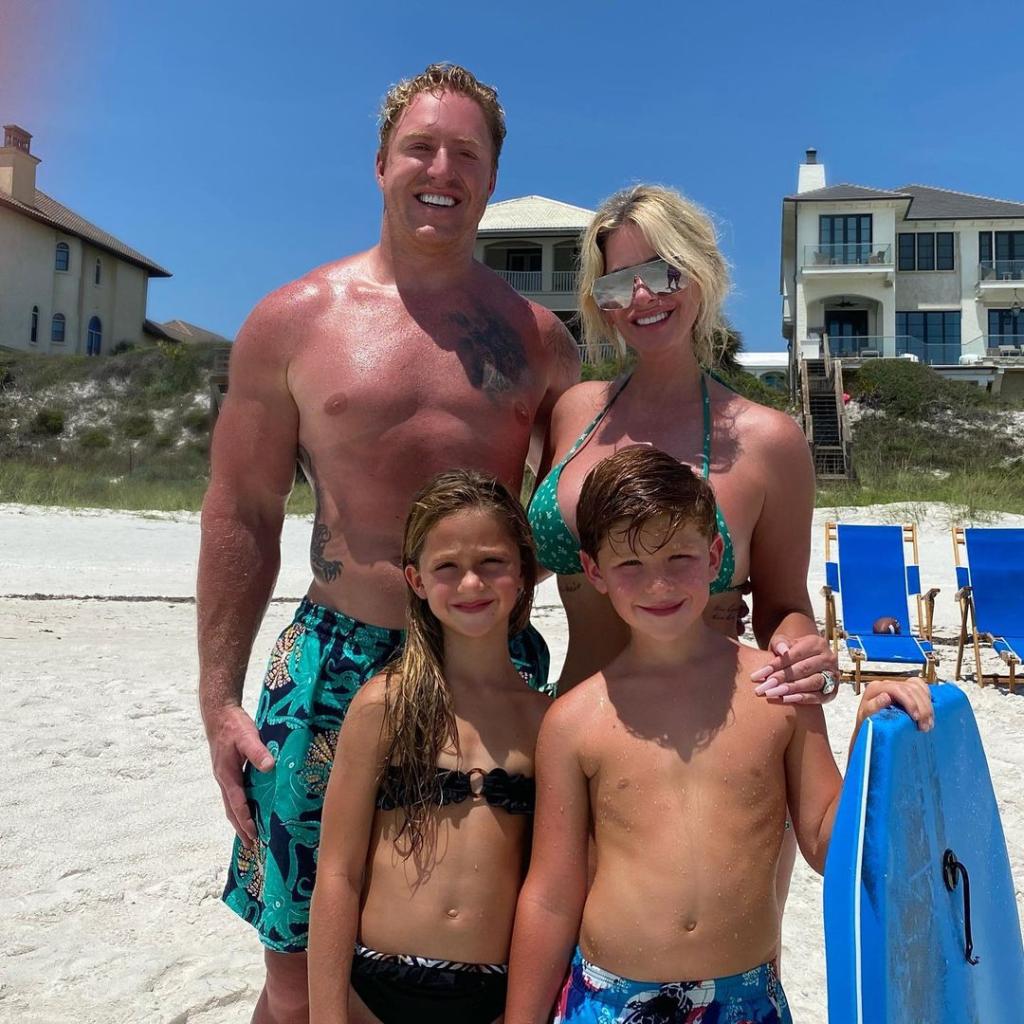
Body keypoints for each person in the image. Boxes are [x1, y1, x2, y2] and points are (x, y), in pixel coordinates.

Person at [197, 63, 579, 1023]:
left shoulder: (539, 342)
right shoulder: (292, 322)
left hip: (487, 668)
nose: (440, 168)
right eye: (421, 146)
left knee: (483, 952)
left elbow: (578, 526)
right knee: (296, 973)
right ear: (380, 164)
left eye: (466, 153)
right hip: (331, 665)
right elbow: (241, 510)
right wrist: (216, 699)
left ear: (491, 180)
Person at [505, 447, 934, 1024]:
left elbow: (829, 846)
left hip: (743, 1000)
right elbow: (552, 895)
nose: (658, 584)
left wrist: (869, 741)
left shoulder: (778, 695)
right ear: (595, 571)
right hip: (606, 999)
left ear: (713, 557)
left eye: (679, 556)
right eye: (630, 565)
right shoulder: (574, 721)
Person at [528, 183, 838, 698]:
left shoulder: (768, 440)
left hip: (704, 736)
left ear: (701, 270)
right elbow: (525, 562)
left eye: (661, 271)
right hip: (574, 728)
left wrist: (807, 662)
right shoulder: (574, 412)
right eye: (617, 285)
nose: (642, 297)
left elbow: (783, 608)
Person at [307, 470, 549, 1024]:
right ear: (416, 580)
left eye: (492, 562)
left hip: (493, 995)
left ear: (523, 574)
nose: (471, 585)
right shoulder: (383, 706)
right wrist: (326, 1015)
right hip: (375, 989)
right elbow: (338, 873)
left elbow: (549, 886)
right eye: (448, 568)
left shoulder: (543, 721)